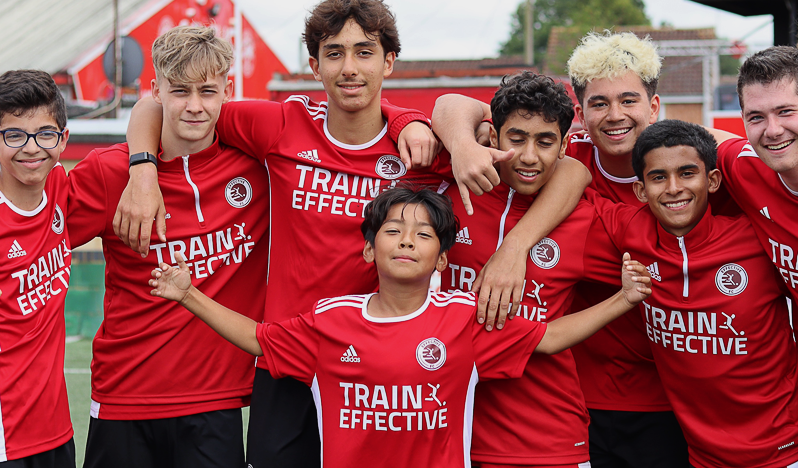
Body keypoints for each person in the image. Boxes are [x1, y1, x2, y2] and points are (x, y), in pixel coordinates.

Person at [118, 1, 590, 465]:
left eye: (364, 52)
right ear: (313, 64)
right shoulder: (280, 124)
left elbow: (570, 169)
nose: (349, 67)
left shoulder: (419, 147)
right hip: (288, 355)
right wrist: (142, 171)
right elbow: (159, 105)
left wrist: (508, 233)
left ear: (388, 61)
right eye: (334, 52)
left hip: (378, 372)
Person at [148, 186, 652, 468]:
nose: (407, 241)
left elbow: (548, 337)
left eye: (423, 234)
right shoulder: (332, 319)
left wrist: (624, 298)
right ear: (370, 250)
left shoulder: (462, 316)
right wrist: (188, 294)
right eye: (393, 231)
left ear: (441, 258)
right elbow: (258, 338)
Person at [432, 31, 691, 467]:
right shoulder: (453, 179)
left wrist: (515, 246)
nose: (530, 156)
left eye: (629, 100)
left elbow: (677, 255)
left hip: (590, 423)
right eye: (600, 103)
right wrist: (460, 144)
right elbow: (447, 106)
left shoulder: (598, 209)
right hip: (451, 427)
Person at [66, 26, 271, 468]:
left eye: (207, 91)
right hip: (123, 399)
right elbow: (35, 233)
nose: (194, 105)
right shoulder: (108, 173)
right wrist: (142, 169)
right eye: (179, 91)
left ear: (227, 91)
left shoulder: (259, 168)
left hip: (215, 404)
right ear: (155, 89)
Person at [590, 119, 798, 468]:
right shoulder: (626, 230)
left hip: (784, 453)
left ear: (712, 180)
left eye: (687, 173)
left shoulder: (757, 237)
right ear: (640, 191)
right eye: (658, 177)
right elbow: (567, 177)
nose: (673, 188)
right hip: (700, 458)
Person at [442, 71, 621, 467]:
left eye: (545, 142)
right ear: (493, 137)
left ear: (563, 147)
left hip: (546, 442)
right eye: (517, 138)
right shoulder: (450, 191)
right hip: (447, 437)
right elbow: (447, 106)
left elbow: (666, 264)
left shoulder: (585, 218)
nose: (528, 156)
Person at [0, 70, 75, 467]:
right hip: (5, 438)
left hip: (56, 432)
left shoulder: (63, 189)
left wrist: (144, 167)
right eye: (14, 135)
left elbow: (151, 108)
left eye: (44, 134)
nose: (31, 148)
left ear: (63, 140)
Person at [707, 45, 798, 305]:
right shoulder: (746, 166)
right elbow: (694, 137)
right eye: (756, 117)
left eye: (785, 112)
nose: (773, 130)